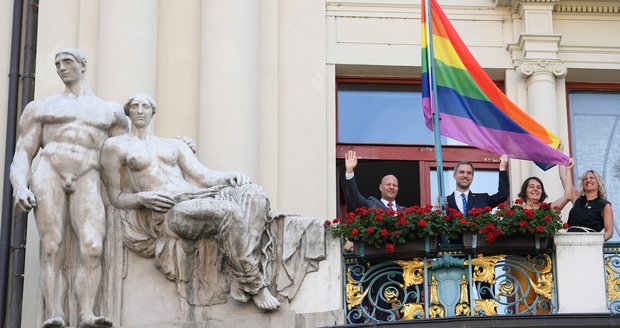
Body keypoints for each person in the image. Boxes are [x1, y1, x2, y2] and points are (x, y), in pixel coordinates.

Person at [100, 92, 280, 310]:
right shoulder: (114, 147)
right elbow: (116, 198)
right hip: (170, 210)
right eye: (135, 106)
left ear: (152, 112)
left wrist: (229, 176)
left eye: (145, 106)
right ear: (128, 111)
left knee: (255, 195)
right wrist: (142, 198)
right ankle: (253, 284)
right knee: (229, 212)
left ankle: (239, 275)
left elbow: (203, 176)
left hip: (197, 196)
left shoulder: (173, 144)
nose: (140, 110)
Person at [10, 49, 128, 328]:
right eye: (57, 64)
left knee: (93, 246)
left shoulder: (109, 111)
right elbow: (23, 153)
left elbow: (129, 151)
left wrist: (180, 147)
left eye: (67, 62)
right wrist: (19, 187)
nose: (62, 68)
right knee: (52, 247)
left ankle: (88, 313)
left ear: (83, 65)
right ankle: (55, 313)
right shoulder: (41, 107)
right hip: (49, 171)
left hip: (88, 173)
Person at [565, 167, 614, 240]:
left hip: (589, 245)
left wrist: (595, 242)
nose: (588, 180)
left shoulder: (604, 205)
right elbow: (564, 178)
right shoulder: (577, 199)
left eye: (592, 178)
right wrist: (568, 168)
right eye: (585, 179)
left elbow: (609, 232)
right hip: (570, 241)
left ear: (598, 182)